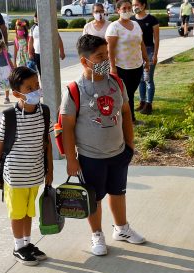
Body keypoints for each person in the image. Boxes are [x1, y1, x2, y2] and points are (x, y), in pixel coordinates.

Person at [60, 35, 145, 256]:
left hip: (118, 152)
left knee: (118, 192)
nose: (106, 59)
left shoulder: (116, 83)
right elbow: (66, 127)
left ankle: (122, 228)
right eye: (100, 56)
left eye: (107, 54)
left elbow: (126, 113)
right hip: (90, 157)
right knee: (94, 197)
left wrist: (130, 144)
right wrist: (71, 158)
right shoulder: (74, 90)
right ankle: (97, 234)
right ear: (84, 61)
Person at [0, 66, 53, 266]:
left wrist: (49, 171)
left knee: (28, 212)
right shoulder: (10, 116)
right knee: (17, 213)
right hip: (15, 176)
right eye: (29, 87)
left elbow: (46, 144)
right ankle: (18, 247)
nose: (35, 90)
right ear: (17, 93)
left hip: (35, 174)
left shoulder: (44, 112)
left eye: (37, 85)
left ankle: (27, 243)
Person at [106, 0, 149, 125]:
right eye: (124, 8)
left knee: (130, 92)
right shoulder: (114, 27)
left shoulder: (136, 24)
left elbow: (141, 43)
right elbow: (110, 49)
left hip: (136, 65)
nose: (127, 10)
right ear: (118, 10)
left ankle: (126, 119)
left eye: (129, 8)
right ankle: (129, 120)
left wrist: (146, 59)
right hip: (121, 66)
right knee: (126, 93)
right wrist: (112, 67)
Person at [132, 0, 159, 115]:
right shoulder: (132, 20)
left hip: (149, 51)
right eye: (133, 5)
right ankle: (142, 102)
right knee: (140, 80)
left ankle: (149, 104)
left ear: (143, 5)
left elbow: (156, 38)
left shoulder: (152, 19)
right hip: (136, 52)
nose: (134, 7)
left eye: (136, 5)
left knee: (148, 79)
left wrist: (155, 54)